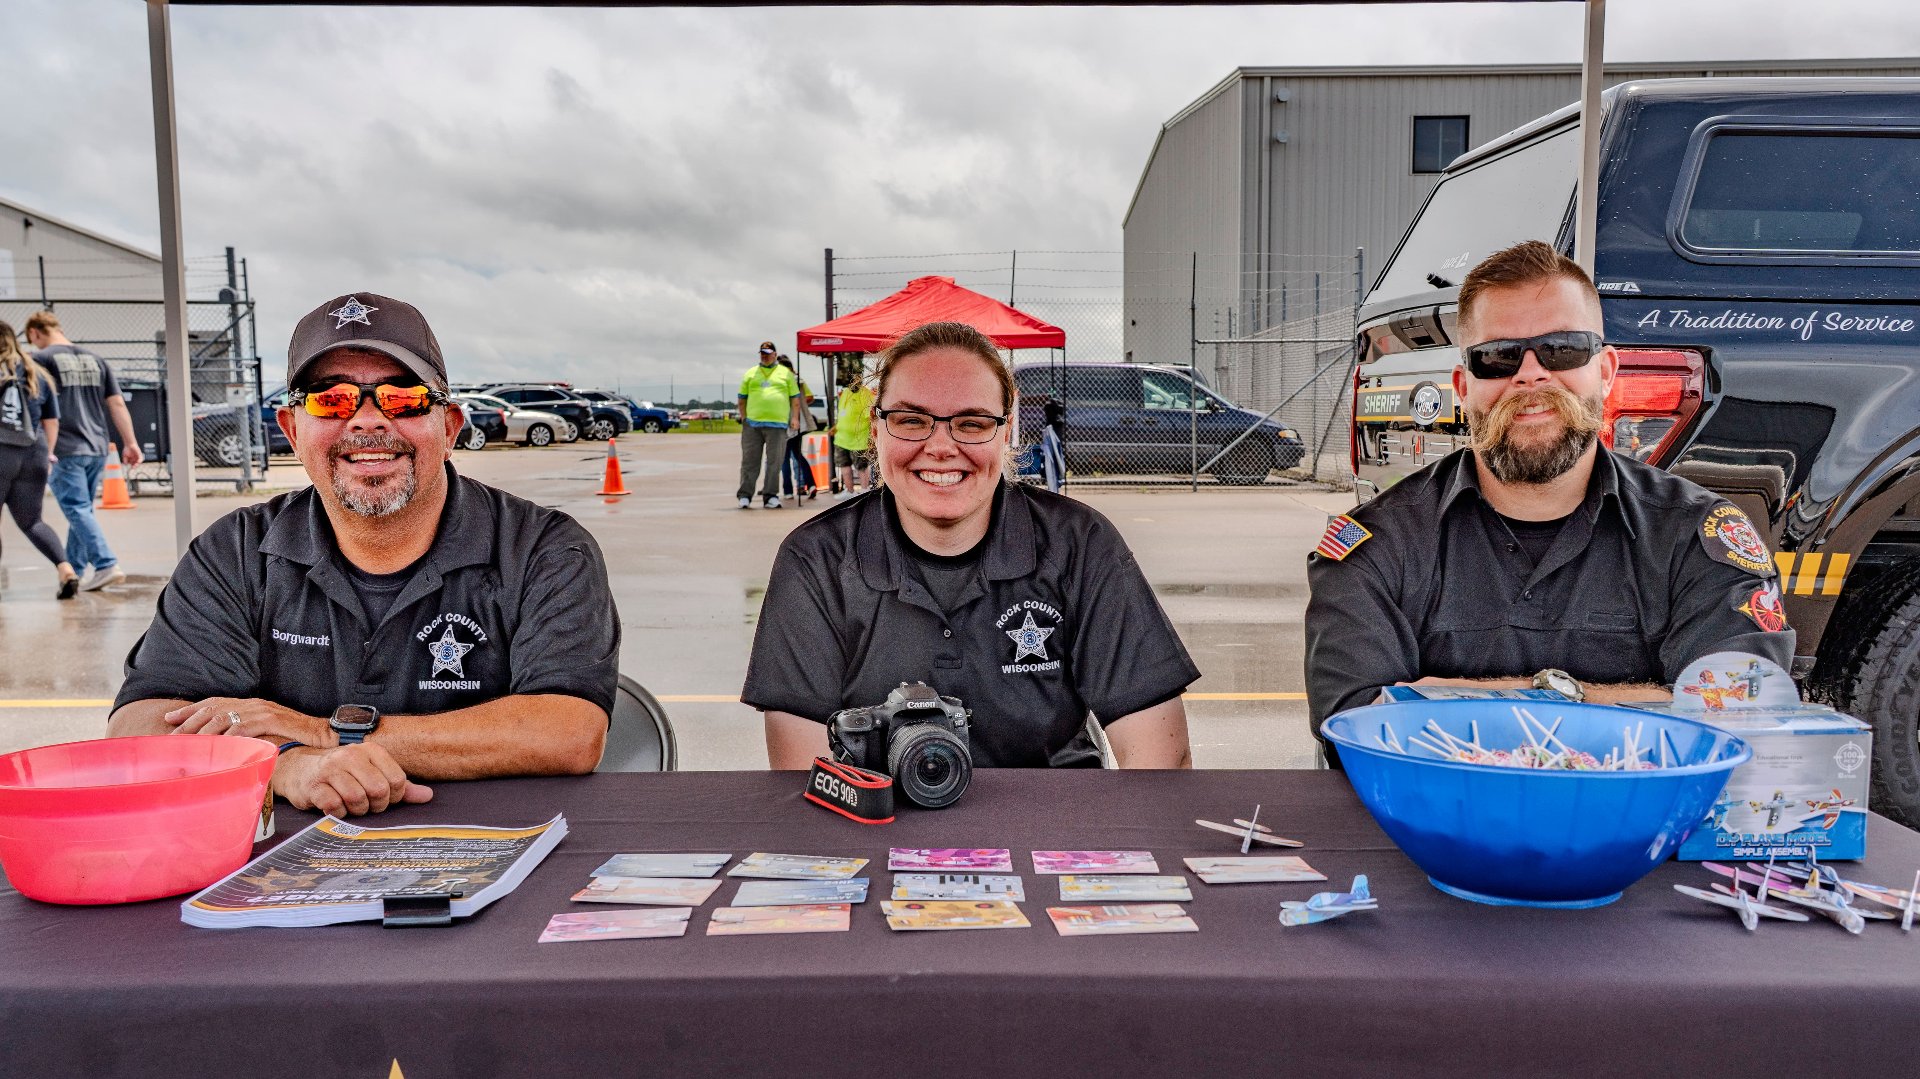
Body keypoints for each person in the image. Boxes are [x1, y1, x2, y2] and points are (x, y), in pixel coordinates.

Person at [107, 292, 620, 817]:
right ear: (291, 430)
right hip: (287, 868)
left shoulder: (543, 548)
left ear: (448, 428)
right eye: (331, 400)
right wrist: (284, 763)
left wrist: (321, 733)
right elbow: (139, 724)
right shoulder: (234, 551)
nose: (367, 420)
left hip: (504, 847)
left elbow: (568, 731)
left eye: (403, 397)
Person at [1303, 241, 1793, 764]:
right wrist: (1653, 702)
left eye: (1562, 349)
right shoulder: (1378, 545)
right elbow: (1353, 728)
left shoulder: (1698, 537)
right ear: (1462, 385)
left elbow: (1743, 714)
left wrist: (1445, 699)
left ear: (1606, 372)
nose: (1531, 375)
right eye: (1498, 357)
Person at [745, 320, 1198, 770]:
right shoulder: (815, 560)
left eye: (972, 422)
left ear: (1006, 429)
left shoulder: (1080, 545)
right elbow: (806, 778)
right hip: (873, 831)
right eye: (911, 420)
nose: (940, 446)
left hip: (1056, 831)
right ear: (876, 428)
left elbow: (1159, 763)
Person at [23, 311, 142, 592]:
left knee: (76, 509)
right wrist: (131, 442)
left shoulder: (40, 359)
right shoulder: (96, 359)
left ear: (34, 333)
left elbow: (36, 407)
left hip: (64, 446)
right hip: (97, 446)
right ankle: (75, 570)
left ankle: (105, 564)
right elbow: (116, 404)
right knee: (82, 510)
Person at [0, 321, 80, 599]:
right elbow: (52, 421)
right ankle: (65, 568)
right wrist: (47, 454)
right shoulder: (37, 372)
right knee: (33, 521)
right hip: (34, 450)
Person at [736, 341, 799, 509]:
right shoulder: (750, 373)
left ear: (775, 354)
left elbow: (795, 398)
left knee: (775, 462)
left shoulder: (785, 374)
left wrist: (795, 418)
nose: (764, 356)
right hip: (753, 425)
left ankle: (770, 495)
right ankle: (745, 495)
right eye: (762, 353)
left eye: (767, 353)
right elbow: (742, 398)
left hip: (777, 425)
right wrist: (744, 418)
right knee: (750, 461)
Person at [776, 355, 818, 502]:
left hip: (784, 423)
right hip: (800, 424)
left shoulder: (780, 381)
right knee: (798, 455)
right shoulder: (799, 380)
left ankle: (788, 490)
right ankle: (811, 484)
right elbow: (810, 396)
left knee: (784, 458)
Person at [830, 373, 875, 499]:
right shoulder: (845, 393)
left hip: (858, 440)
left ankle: (865, 490)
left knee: (861, 466)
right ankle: (849, 491)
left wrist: (872, 438)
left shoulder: (866, 394)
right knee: (844, 465)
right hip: (841, 439)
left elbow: (871, 417)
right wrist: (835, 428)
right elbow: (842, 415)